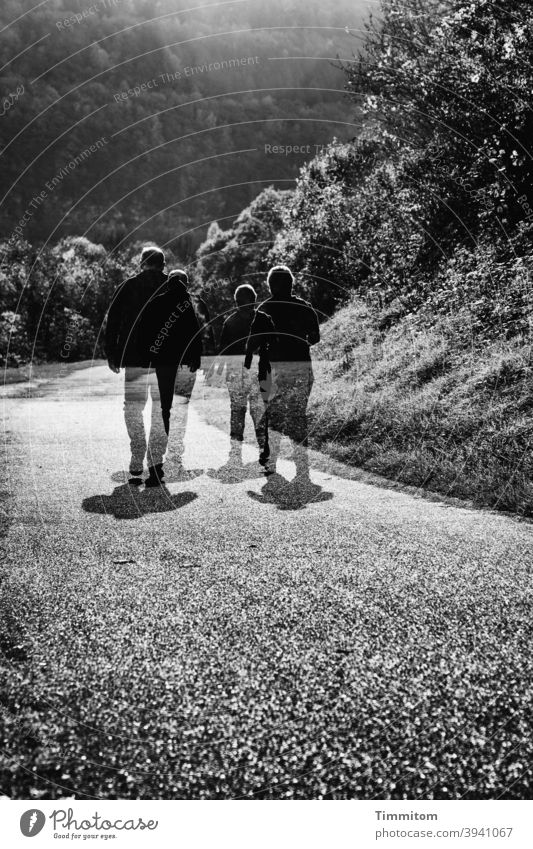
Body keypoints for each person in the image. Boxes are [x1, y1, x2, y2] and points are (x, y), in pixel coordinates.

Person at [245, 265, 320, 482]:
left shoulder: (263, 310)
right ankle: (302, 468)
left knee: (274, 416)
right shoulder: (305, 307)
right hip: (301, 367)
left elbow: (252, 342)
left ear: (270, 285)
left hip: (272, 371)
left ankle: (271, 463)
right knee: (298, 415)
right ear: (291, 284)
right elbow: (315, 337)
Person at [105, 246, 170, 486]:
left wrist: (112, 353)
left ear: (142, 263)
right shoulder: (173, 286)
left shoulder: (127, 287)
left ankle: (137, 451)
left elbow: (113, 321)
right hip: (165, 361)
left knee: (133, 407)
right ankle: (156, 462)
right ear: (163, 265)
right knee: (161, 410)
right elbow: (186, 323)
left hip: (135, 358)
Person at [144, 268, 202, 481]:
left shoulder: (156, 302)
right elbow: (194, 330)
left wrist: (149, 357)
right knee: (179, 410)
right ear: (184, 284)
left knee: (163, 410)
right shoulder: (186, 302)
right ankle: (173, 460)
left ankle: (156, 464)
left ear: (168, 283)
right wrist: (196, 355)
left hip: (164, 363)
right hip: (184, 363)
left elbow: (145, 331)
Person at [216, 284, 269, 467]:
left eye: (241, 301)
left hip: (241, 373)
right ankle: (263, 450)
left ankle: (236, 453)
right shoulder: (263, 319)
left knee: (238, 411)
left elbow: (223, 350)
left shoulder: (230, 321)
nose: (242, 305)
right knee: (257, 410)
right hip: (257, 372)